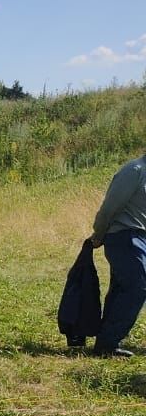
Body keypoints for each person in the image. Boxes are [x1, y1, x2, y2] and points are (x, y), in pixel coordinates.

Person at [89, 153, 146, 358]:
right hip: (125, 236)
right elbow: (109, 208)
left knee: (122, 288)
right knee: (137, 286)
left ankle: (106, 342)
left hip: (141, 239)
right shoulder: (135, 170)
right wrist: (99, 233)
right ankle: (108, 343)